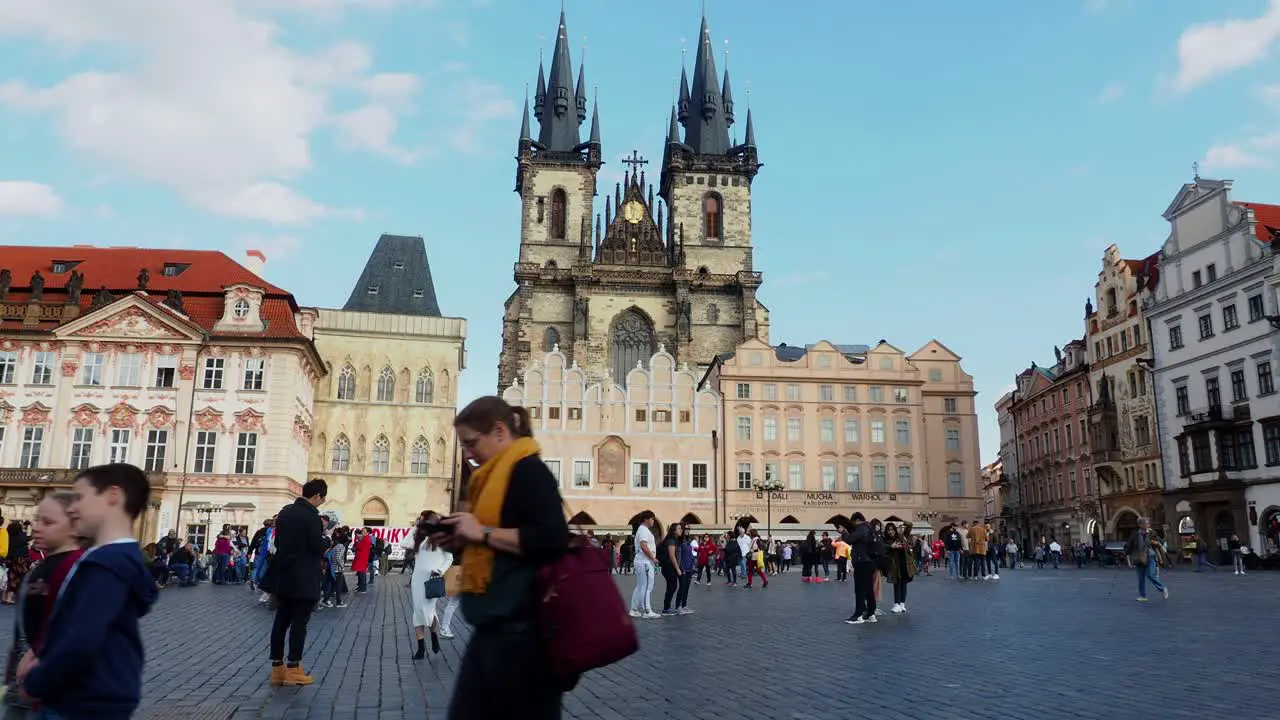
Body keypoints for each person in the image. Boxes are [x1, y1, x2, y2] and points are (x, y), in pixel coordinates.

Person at [433, 396, 569, 720]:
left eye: (470, 443)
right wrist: (458, 540)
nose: (467, 453)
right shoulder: (488, 480)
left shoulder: (528, 472)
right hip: (491, 633)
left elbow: (551, 539)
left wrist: (481, 533)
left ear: (498, 431)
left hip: (525, 640)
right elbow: (493, 542)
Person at [18, 463, 157, 720]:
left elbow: (81, 639)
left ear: (113, 496)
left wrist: (37, 681)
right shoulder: (112, 559)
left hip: (81, 701)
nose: (72, 507)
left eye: (80, 497)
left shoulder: (106, 565)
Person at [3, 493, 84, 720]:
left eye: (47, 522)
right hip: (26, 678)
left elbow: (79, 628)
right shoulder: (40, 567)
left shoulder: (78, 568)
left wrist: (37, 655)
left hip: (56, 687)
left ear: (75, 527)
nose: (36, 528)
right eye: (36, 520)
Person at [267, 478, 327, 686]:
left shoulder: (285, 512)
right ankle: (294, 668)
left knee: (281, 622)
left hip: (284, 574)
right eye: (322, 499)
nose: (322, 502)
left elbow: (278, 541)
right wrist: (326, 540)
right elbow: (316, 547)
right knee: (299, 624)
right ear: (317, 496)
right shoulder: (311, 517)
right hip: (303, 577)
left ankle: (277, 669)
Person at [403, 511, 453, 659]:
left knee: (429, 612)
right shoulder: (419, 539)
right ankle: (421, 648)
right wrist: (415, 527)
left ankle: (434, 636)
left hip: (432, 579)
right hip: (417, 579)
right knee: (418, 611)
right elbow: (403, 543)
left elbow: (449, 558)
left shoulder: (442, 539)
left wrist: (440, 571)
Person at [843, 513, 878, 625]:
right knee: (868, 588)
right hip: (869, 562)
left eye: (853, 522)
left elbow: (850, 539)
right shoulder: (869, 528)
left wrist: (843, 532)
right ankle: (870, 613)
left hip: (862, 562)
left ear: (857, 520)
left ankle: (858, 615)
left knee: (860, 589)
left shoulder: (862, 529)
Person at [1123, 516, 1168, 602]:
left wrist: (1156, 542)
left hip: (1150, 557)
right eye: (1146, 523)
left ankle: (1162, 588)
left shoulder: (1152, 533)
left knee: (1151, 575)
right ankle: (1142, 596)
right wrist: (1126, 553)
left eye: (1148, 523)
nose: (1148, 525)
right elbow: (1129, 545)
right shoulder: (1135, 534)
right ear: (1140, 524)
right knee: (1141, 578)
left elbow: (1161, 542)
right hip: (1139, 558)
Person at [629, 511, 660, 618]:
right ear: (646, 519)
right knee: (647, 587)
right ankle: (647, 611)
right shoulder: (643, 530)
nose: (653, 521)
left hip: (641, 561)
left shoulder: (642, 530)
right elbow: (643, 546)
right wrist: (653, 558)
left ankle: (634, 609)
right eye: (652, 519)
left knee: (640, 586)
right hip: (645, 562)